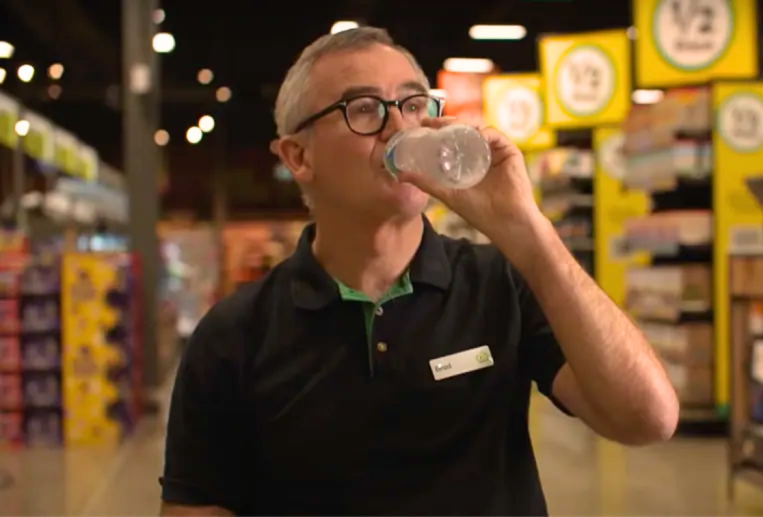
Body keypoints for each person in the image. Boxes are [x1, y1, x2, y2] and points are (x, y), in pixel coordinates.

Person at [159, 27, 678, 517]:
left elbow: (647, 418)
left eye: (413, 104)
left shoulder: (500, 283)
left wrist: (529, 232)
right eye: (364, 108)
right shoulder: (234, 334)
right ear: (298, 156)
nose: (400, 126)